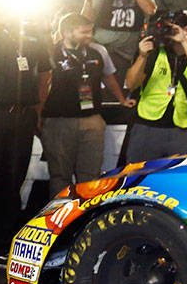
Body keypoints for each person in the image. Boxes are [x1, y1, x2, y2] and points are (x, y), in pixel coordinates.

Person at [0, 0, 51, 263]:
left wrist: (38, 113)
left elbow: (44, 73)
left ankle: (0, 247)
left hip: (21, 117)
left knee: (13, 180)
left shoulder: (30, 34)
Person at [40, 14, 135, 196]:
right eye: (84, 32)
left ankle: (86, 219)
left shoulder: (98, 51)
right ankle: (60, 219)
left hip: (92, 120)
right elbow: (42, 84)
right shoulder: (52, 52)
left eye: (91, 31)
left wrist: (121, 99)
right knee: (60, 175)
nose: (89, 36)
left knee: (90, 175)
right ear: (67, 32)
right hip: (59, 121)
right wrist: (39, 115)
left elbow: (108, 76)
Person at [122, 10, 187, 164]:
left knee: (186, 176)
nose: (172, 33)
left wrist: (184, 41)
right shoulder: (154, 53)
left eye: (177, 29)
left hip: (181, 126)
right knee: (138, 176)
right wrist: (142, 56)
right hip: (148, 124)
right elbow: (130, 84)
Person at [82, 0, 157, 80]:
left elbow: (150, 10)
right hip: (102, 49)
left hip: (127, 54)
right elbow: (85, 21)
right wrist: (88, 0)